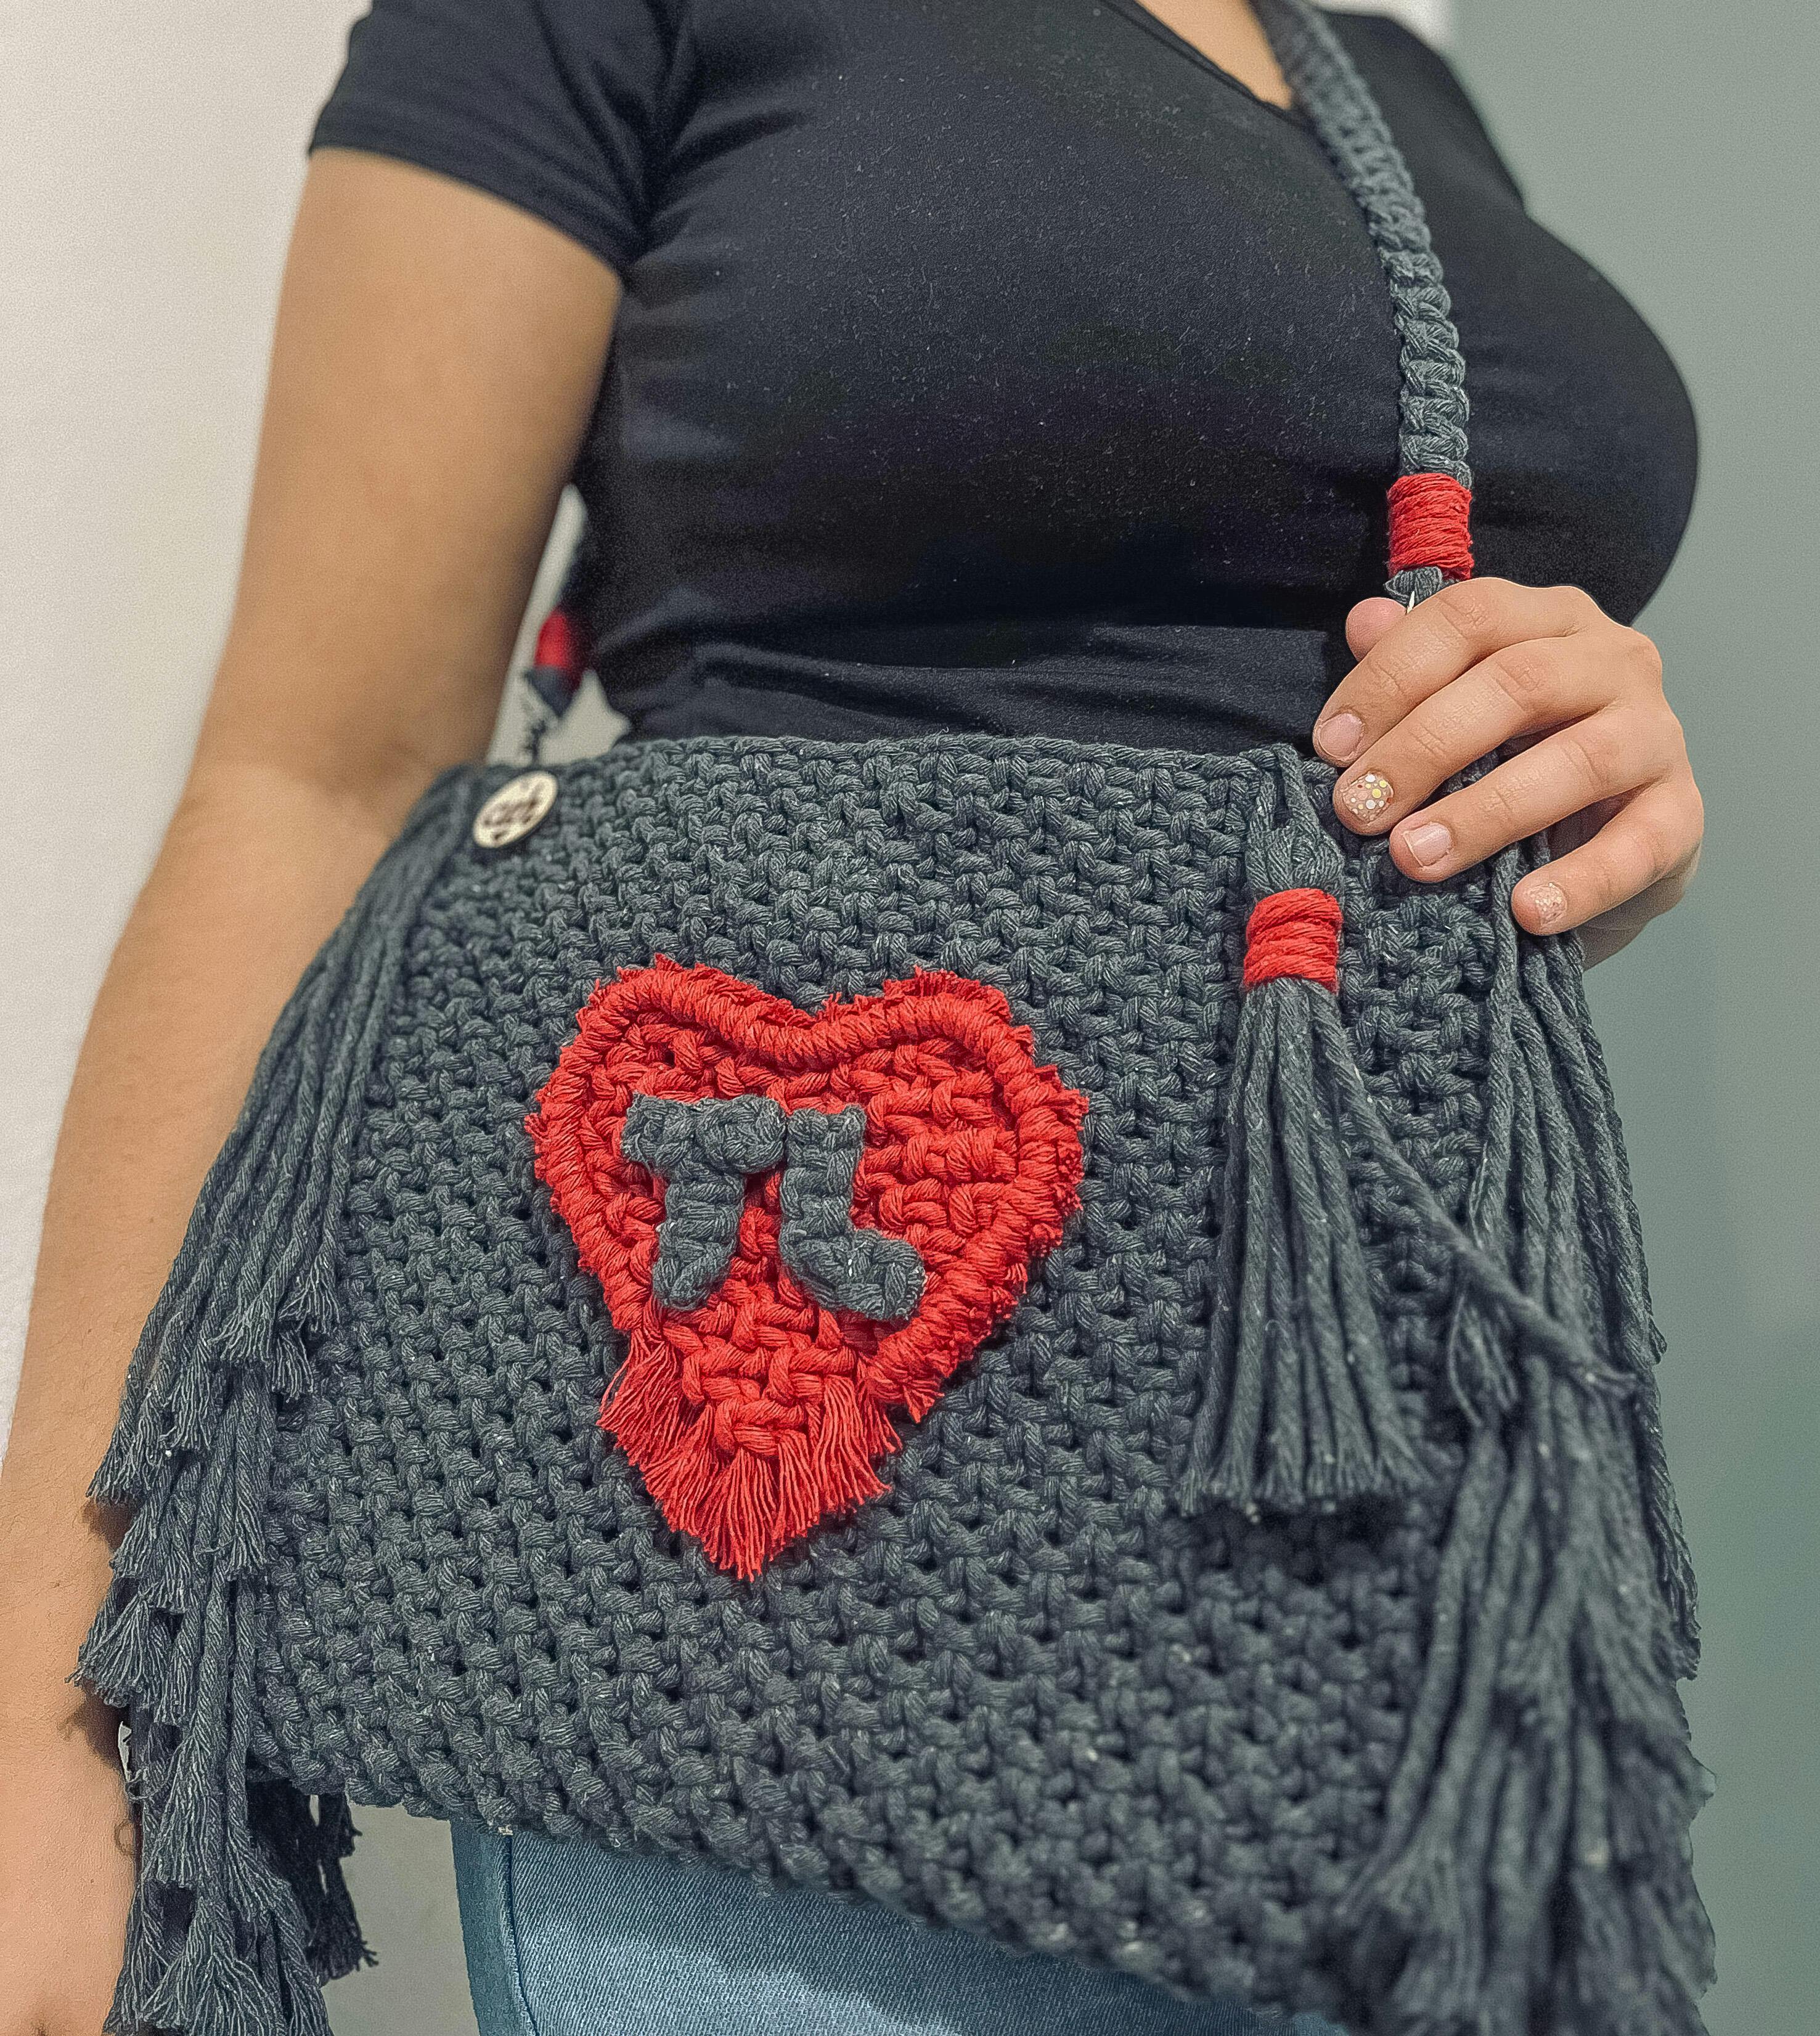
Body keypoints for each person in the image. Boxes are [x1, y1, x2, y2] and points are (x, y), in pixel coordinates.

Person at [0, 2, 1704, 2032]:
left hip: (1391, 1581)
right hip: (770, 1656)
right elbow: (316, 776)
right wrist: (53, 1717)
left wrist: (1556, 810)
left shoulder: (1390, 82)